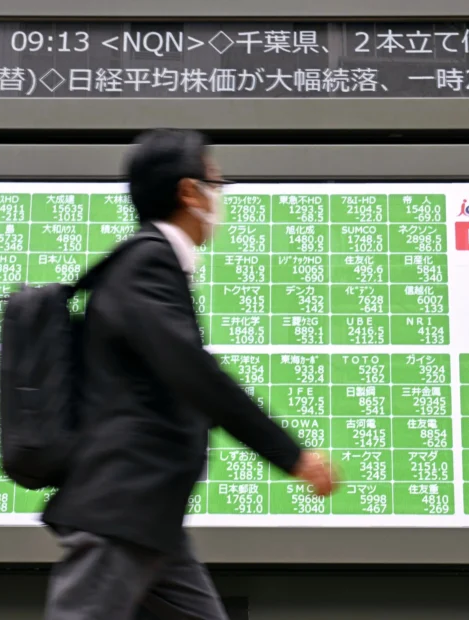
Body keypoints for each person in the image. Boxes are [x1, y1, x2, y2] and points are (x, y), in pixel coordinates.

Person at [42, 129, 337, 620]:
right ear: (189, 192)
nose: (219, 197)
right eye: (215, 183)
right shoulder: (146, 265)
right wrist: (291, 455)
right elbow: (196, 374)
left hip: (151, 516)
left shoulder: (145, 265)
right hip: (121, 508)